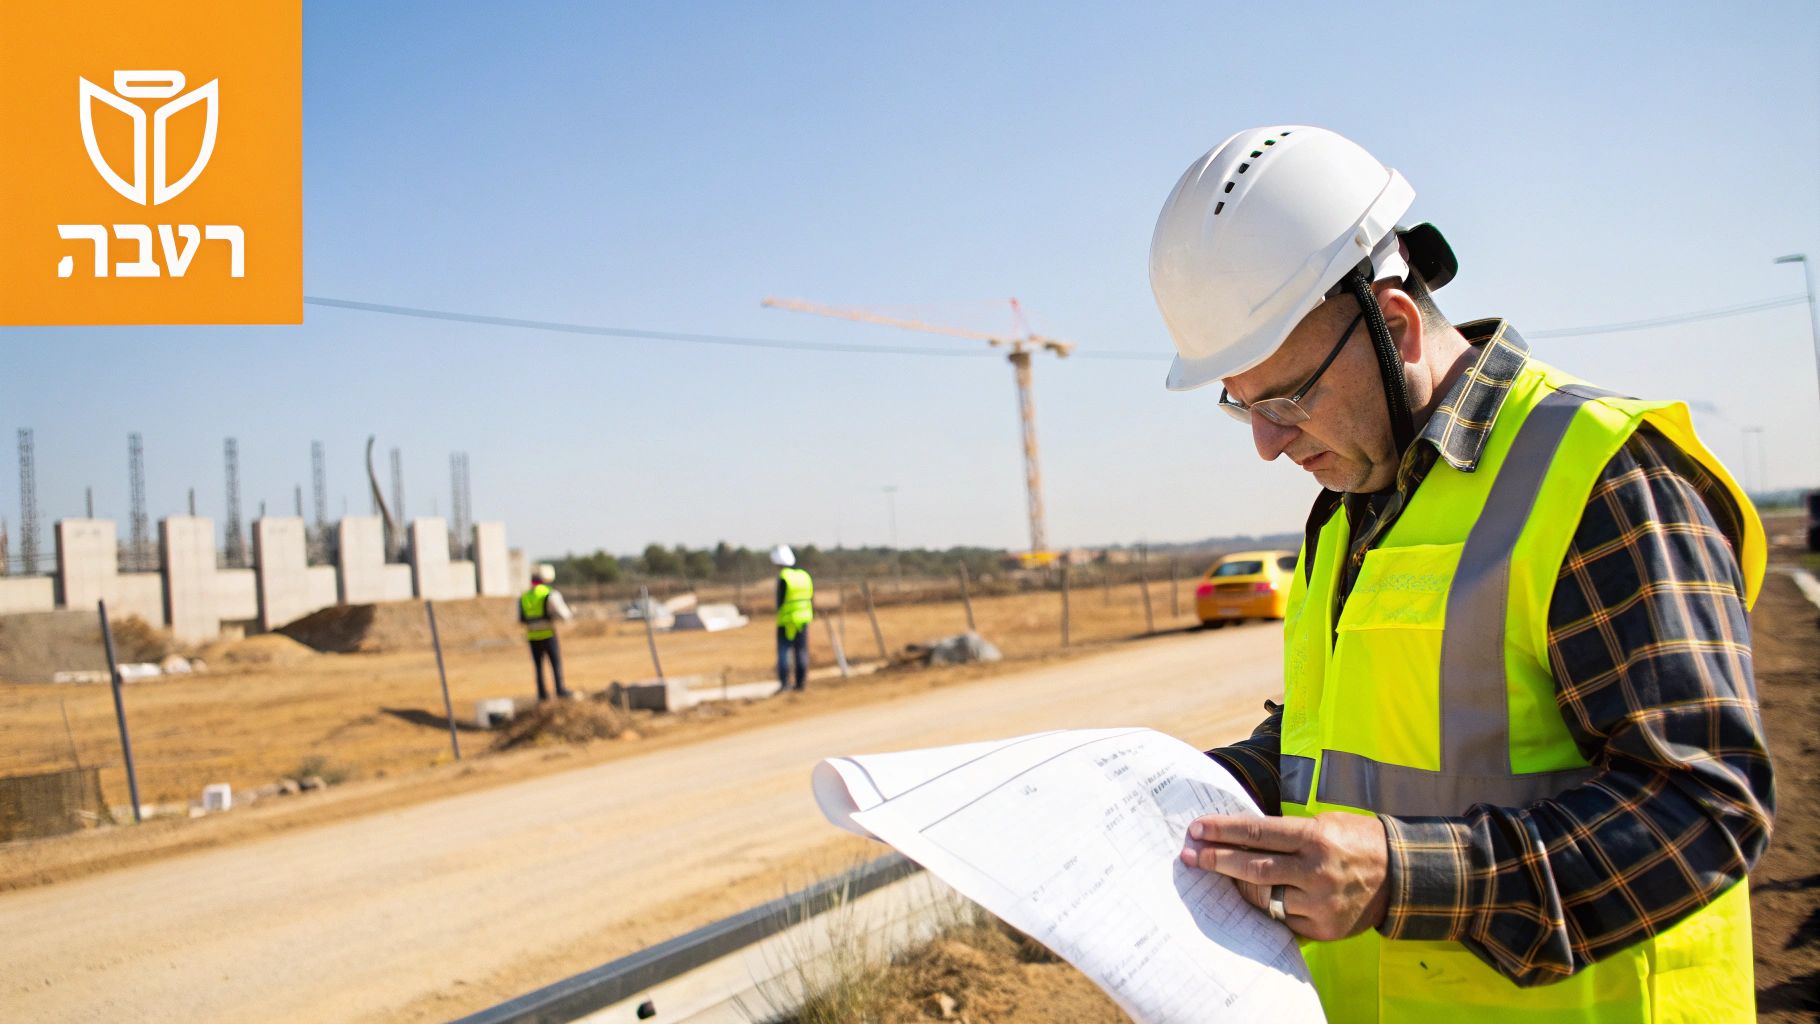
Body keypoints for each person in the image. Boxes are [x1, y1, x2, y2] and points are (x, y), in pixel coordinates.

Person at [1150, 126, 1771, 1021]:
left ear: (1395, 325)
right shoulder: (1355, 503)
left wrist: (1405, 876)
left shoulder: (1600, 475)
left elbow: (1705, 810)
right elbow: (1339, 749)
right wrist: (1186, 790)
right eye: (1240, 406)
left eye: (1286, 399)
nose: (1266, 443)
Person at [519, 562, 573, 701]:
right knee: (555, 664)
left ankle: (542, 695)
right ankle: (560, 691)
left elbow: (520, 618)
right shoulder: (550, 594)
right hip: (548, 634)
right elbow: (563, 614)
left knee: (538, 667)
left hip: (532, 636)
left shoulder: (525, 596)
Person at [771, 544, 813, 691]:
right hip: (803, 620)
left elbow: (780, 601)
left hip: (786, 621)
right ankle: (801, 684)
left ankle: (785, 684)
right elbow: (811, 598)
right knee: (801, 651)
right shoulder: (804, 575)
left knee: (784, 653)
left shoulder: (784, 577)